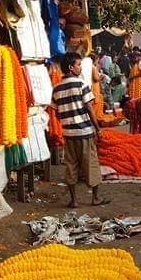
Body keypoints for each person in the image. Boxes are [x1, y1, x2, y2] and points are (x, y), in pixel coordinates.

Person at [51, 52, 103, 208]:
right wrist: (97, 128)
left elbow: (56, 112)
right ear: (70, 67)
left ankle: (74, 200)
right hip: (84, 132)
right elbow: (89, 109)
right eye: (78, 65)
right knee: (90, 163)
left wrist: (67, 121)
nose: (80, 67)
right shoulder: (81, 85)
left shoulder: (56, 89)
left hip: (68, 133)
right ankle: (95, 197)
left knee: (71, 165)